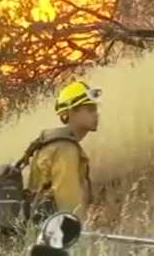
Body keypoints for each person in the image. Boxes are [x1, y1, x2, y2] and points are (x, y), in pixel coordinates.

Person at [26, 80, 99, 223]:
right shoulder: (65, 149)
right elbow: (69, 202)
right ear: (71, 113)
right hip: (56, 235)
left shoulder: (55, 145)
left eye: (95, 109)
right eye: (90, 109)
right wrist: (80, 236)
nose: (96, 115)